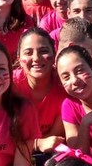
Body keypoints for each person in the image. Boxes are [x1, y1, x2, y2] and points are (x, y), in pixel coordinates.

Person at [13, 28, 66, 156]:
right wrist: (37, 144)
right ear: (19, 59)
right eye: (28, 53)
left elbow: (53, 139)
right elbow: (1, 137)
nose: (36, 58)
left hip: (49, 155)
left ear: (54, 56)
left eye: (43, 51)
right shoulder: (9, 84)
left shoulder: (64, 86)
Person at [56, 45, 92, 148]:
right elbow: (77, 154)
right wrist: (85, 123)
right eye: (66, 77)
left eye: (79, 71)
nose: (74, 80)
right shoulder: (70, 105)